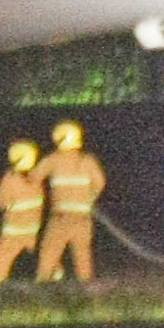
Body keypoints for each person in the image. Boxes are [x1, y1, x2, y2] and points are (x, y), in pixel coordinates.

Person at [32, 119, 106, 282]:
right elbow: (100, 183)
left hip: (61, 217)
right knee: (82, 252)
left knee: (50, 249)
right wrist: (89, 199)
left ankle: (43, 280)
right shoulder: (88, 161)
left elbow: (35, 177)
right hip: (83, 217)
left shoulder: (53, 160)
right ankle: (86, 282)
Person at [0, 139, 45, 284]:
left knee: (3, 255)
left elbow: (0, 203)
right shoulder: (37, 179)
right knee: (44, 251)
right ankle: (53, 274)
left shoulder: (9, 179)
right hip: (33, 228)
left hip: (14, 229)